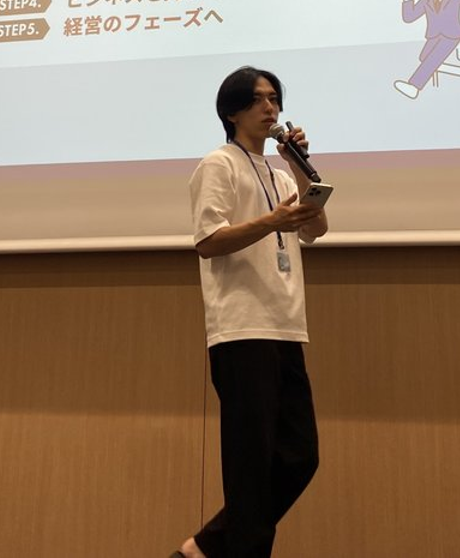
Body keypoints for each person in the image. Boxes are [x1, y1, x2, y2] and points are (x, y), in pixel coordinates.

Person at [175, 66, 329, 558]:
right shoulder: (218, 164)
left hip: (286, 325)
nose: (271, 108)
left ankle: (204, 547)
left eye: (275, 98)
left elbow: (316, 229)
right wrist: (272, 220)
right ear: (232, 111)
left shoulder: (281, 173)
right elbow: (208, 241)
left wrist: (300, 168)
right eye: (258, 99)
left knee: (300, 455)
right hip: (241, 328)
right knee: (250, 463)